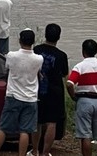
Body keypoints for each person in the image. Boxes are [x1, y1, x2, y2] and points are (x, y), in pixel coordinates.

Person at [0, 29, 43, 156]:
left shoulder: (11, 56)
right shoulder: (39, 59)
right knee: (24, 131)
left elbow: (7, 69)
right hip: (30, 98)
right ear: (33, 42)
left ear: (19, 40)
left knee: (3, 128)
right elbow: (38, 74)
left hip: (13, 96)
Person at [30, 24, 69, 156]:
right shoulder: (61, 56)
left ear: (45, 34)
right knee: (52, 122)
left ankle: (35, 150)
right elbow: (65, 76)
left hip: (37, 90)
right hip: (55, 92)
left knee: (37, 121)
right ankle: (45, 153)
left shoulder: (36, 50)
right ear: (59, 37)